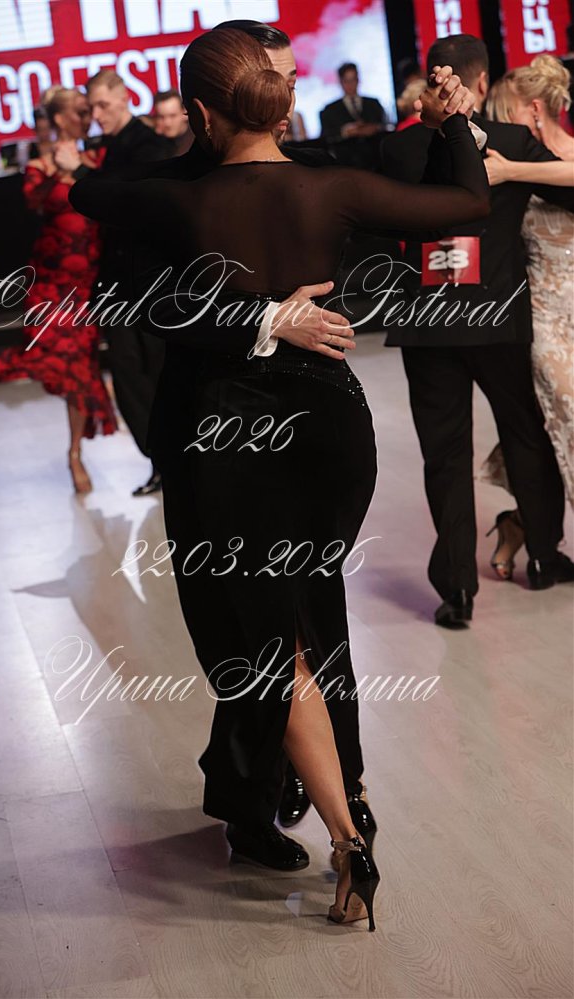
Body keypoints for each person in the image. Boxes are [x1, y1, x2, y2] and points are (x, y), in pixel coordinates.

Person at [71, 27, 489, 927]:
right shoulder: (330, 184)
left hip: (224, 435)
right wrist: (454, 121)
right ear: (284, 100)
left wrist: (249, 306)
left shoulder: (177, 198)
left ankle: (345, 831)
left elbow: (88, 195)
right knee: (303, 621)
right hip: (330, 431)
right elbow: (465, 201)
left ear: (203, 112)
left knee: (266, 645)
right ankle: (274, 795)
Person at [381, 34, 574, 626]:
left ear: (429, 82)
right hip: (496, 316)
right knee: (526, 435)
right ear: (483, 82)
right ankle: (542, 555)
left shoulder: (396, 150)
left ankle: (457, 590)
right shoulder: (510, 143)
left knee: (444, 453)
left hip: (427, 321)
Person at [0, 86, 116, 493]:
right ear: (60, 118)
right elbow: (34, 203)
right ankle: (75, 453)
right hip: (53, 282)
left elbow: (113, 197)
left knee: (81, 364)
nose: (87, 118)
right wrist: (60, 171)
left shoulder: (99, 158)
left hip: (91, 281)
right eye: (80, 111)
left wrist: (79, 169)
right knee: (67, 362)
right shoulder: (40, 166)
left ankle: (75, 449)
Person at [476, 58, 574, 577]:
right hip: (543, 315)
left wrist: (513, 170)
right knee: (566, 413)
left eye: (506, 112)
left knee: (546, 431)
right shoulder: (501, 161)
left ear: (535, 109)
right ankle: (536, 532)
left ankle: (520, 522)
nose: (499, 123)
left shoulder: (515, 164)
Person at [81, 69, 172, 496]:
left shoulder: (148, 145)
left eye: (103, 104)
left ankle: (173, 461)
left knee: (154, 371)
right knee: (128, 374)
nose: (97, 114)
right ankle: (161, 460)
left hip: (149, 282)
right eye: (92, 107)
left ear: (124, 98)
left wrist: (82, 176)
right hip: (119, 282)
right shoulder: (114, 147)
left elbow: (129, 202)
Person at [319, 63, 387, 167]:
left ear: (358, 80)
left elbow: (386, 126)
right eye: (346, 81)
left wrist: (375, 128)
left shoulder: (373, 104)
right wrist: (345, 132)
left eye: (353, 80)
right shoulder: (329, 110)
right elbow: (325, 137)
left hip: (375, 162)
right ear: (340, 82)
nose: (351, 85)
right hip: (347, 164)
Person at [153, 89, 194, 156]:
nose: (167, 123)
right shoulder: (153, 146)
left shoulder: (198, 142)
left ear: (185, 113)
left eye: (172, 116)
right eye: (161, 117)